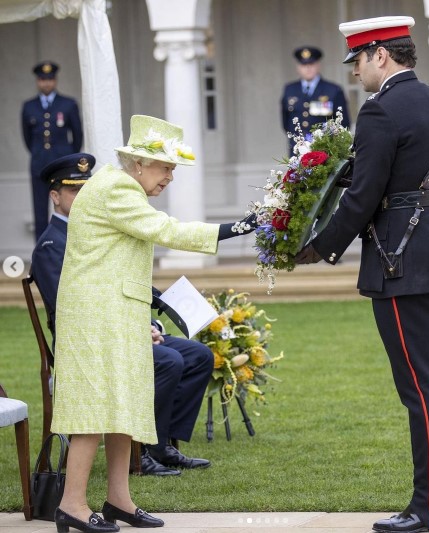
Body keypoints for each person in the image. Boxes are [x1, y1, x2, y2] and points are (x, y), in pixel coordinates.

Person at [295, 16, 429, 533]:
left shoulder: (379, 112)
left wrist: (316, 247)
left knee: (420, 390)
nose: (354, 72)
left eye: (358, 60)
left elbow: (364, 196)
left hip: (403, 260)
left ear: (381, 55)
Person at [50, 115, 257, 533]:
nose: (170, 178)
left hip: (112, 311)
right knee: (95, 408)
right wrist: (239, 228)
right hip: (97, 315)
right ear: (139, 164)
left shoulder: (118, 186)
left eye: (173, 170)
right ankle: (71, 504)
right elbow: (167, 230)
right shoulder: (118, 189)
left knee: (125, 403)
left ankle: (118, 500)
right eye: (166, 168)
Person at [31, 153, 213, 479]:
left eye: (85, 188)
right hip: (90, 338)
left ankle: (161, 443)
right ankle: (141, 452)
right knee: (169, 361)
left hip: (124, 324)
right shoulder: (51, 243)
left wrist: (151, 323)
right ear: (55, 196)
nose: (84, 195)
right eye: (74, 191)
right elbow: (70, 303)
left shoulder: (103, 221)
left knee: (198, 354)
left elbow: (119, 277)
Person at [21, 61, 83, 241]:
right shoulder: (29, 106)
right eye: (42, 79)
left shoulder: (68, 104)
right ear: (37, 81)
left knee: (69, 206)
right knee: (39, 210)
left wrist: (69, 159)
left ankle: (69, 247)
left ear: (55, 80)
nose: (46, 83)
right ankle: (42, 252)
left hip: (63, 166)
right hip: (39, 165)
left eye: (49, 79)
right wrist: (38, 154)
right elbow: (27, 138)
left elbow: (77, 136)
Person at [281, 46, 351, 154]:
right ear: (298, 67)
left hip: (324, 151)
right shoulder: (289, 90)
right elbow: (286, 123)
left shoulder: (333, 90)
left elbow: (343, 123)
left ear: (318, 65)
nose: (308, 68)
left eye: (311, 64)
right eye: (304, 65)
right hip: (297, 151)